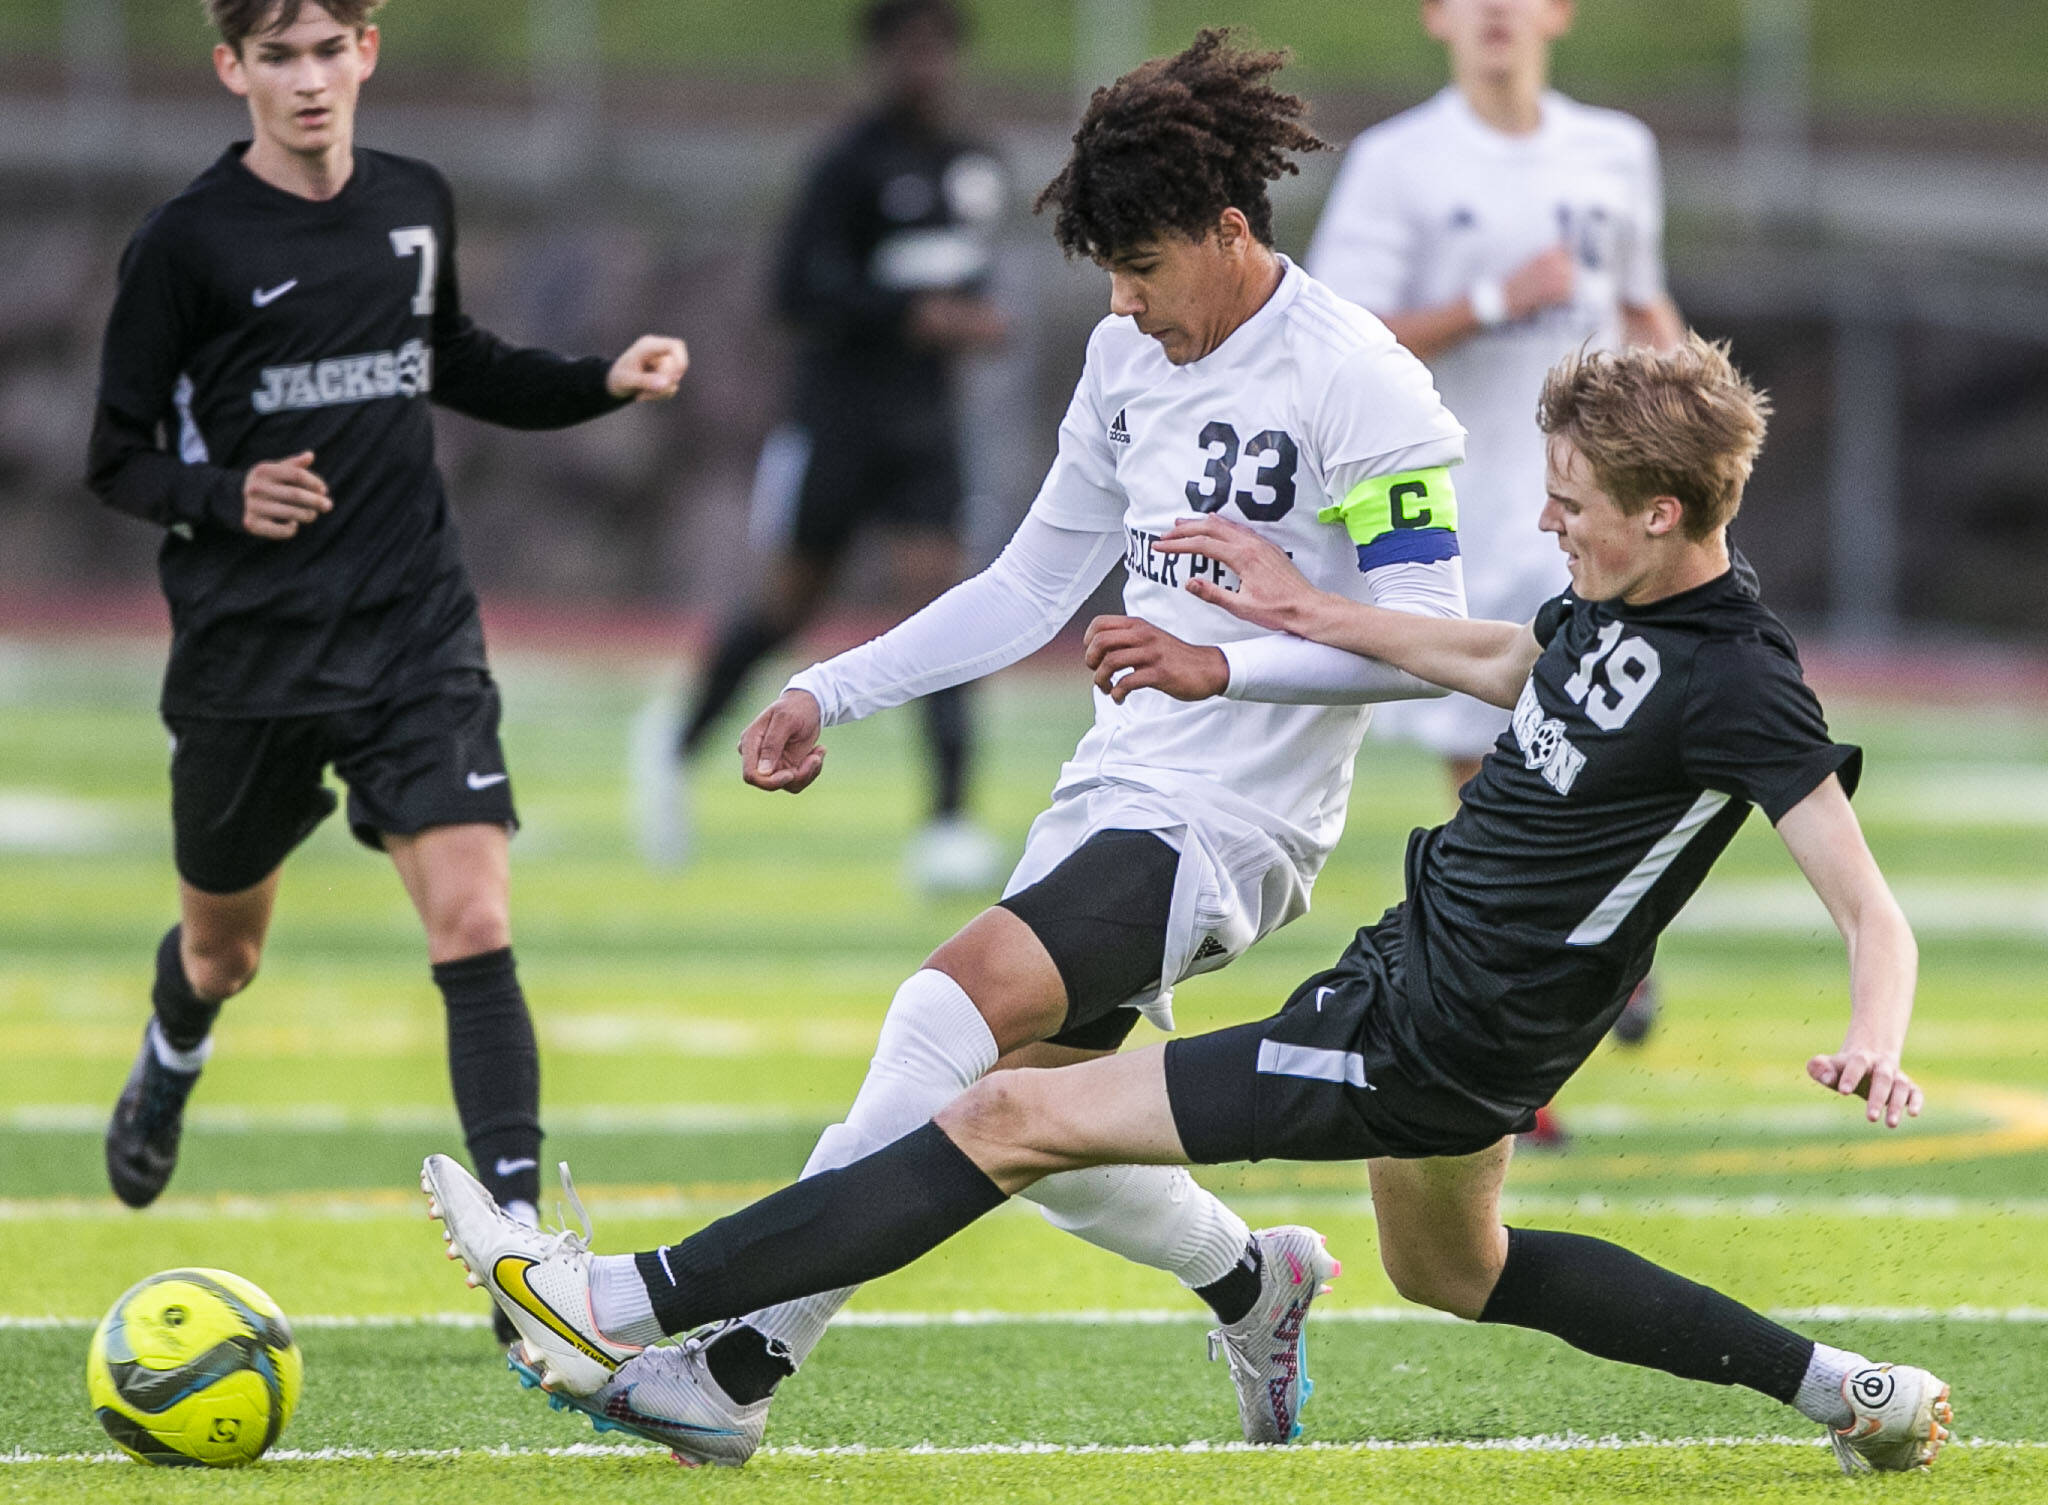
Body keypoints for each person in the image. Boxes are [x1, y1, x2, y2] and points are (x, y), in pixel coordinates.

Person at [426, 336, 1953, 1476]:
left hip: (1421, 1033)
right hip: (1439, 1006)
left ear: (1673, 510)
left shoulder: (1743, 685)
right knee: (1456, 1271)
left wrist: (1872, 1038)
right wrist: (1289, 617)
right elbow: (1507, 661)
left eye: (1575, 506)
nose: (1551, 525)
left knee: (1005, 1111)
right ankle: (1845, 1391)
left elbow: (1870, 907)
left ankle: (622, 1302)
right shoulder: (1621, 601)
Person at [447, 29, 1471, 1463]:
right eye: (1106, 274)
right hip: (1112, 792)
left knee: (945, 1011)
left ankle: (654, 1320)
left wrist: (1216, 657)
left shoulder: (1362, 379)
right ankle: (1253, 1276)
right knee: (1027, 1125)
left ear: (1233, 231)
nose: (1124, 303)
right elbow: (1028, 585)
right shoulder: (1126, 355)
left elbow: (1438, 638)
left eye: (1147, 268)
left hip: (1234, 830)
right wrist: (831, 688)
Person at [87, 0, 688, 1342]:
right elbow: (116, 454)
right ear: (231, 67)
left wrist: (603, 379)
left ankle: (524, 1255)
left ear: (369, 49)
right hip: (251, 651)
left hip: (414, 624)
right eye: (277, 56)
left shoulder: (415, 200)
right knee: (223, 948)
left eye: (328, 49)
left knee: (472, 916)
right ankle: (175, 1044)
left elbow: (452, 358)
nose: (308, 82)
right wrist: (225, 493)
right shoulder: (186, 243)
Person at [1306, 0, 1687, 1079]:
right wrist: (1487, 298)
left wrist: (1697, 411)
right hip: (1461, 521)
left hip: (1603, 520)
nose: (1493, 15)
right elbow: (1342, 340)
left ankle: (1599, 954)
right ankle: (1539, 1035)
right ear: (1435, 17)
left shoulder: (1613, 152)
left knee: (1611, 763)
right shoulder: (1398, 162)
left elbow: (1638, 308)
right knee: (1504, 793)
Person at [634, 0, 1011, 892]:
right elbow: (796, 289)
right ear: (880, 57)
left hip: (926, 427)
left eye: (939, 48)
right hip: (842, 420)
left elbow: (968, 278)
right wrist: (909, 316)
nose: (926, 66)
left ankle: (948, 822)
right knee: (789, 605)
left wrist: (976, 319)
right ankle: (675, 745)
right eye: (908, 48)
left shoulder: (971, 163)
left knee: (943, 608)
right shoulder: (846, 164)